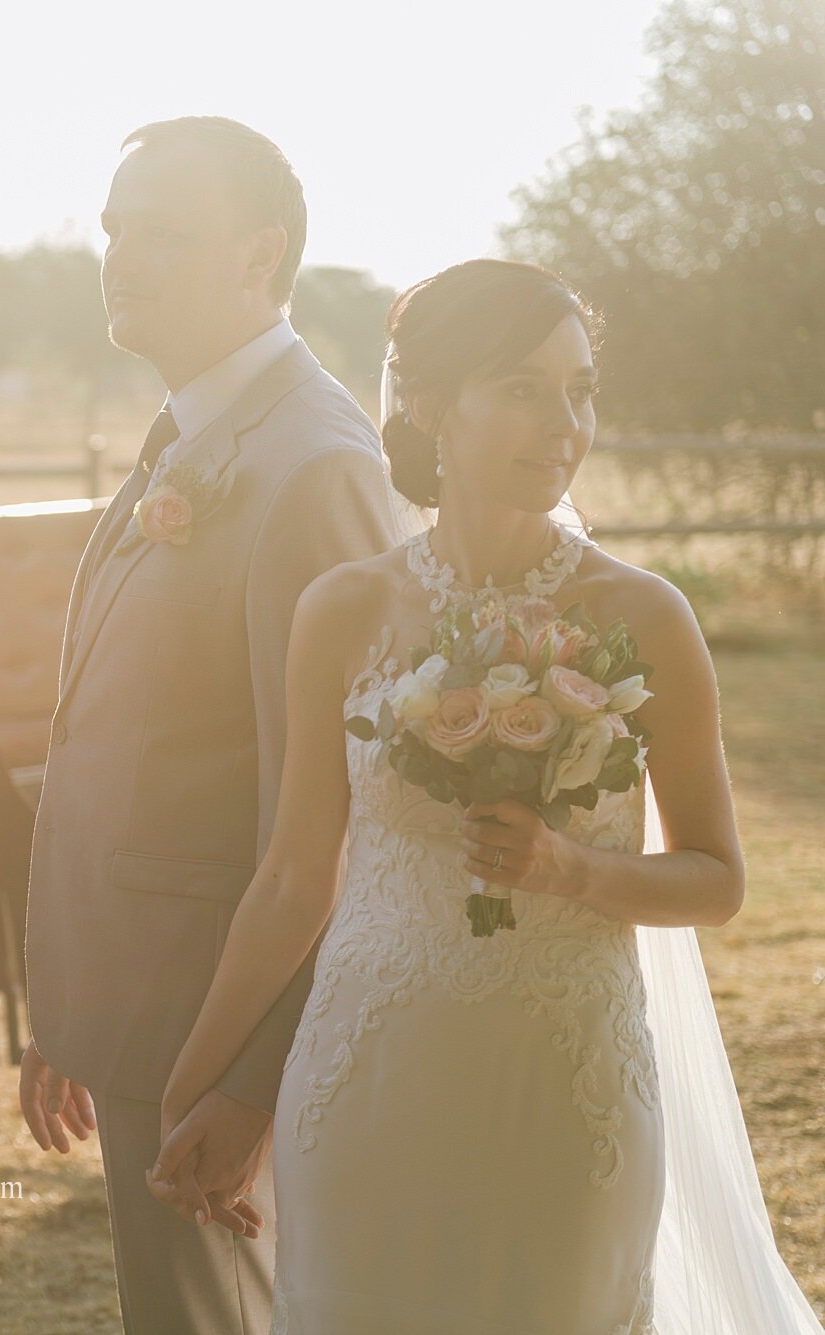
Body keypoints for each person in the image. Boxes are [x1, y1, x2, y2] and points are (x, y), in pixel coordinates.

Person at [151, 258, 825, 1333]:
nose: (562, 422)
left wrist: (573, 869)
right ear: (427, 407)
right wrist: (189, 1091)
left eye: (578, 389)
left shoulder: (643, 617)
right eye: (520, 387)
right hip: (366, 1075)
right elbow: (290, 878)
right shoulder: (341, 610)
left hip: (562, 1089)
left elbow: (717, 881)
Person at [15, 117, 403, 1333]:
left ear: (258, 255)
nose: (118, 258)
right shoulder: (194, 431)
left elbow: (344, 817)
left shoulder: (309, 466)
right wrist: (73, 1001)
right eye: (112, 229)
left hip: (212, 1020)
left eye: (161, 235)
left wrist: (248, 1081)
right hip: (135, 998)